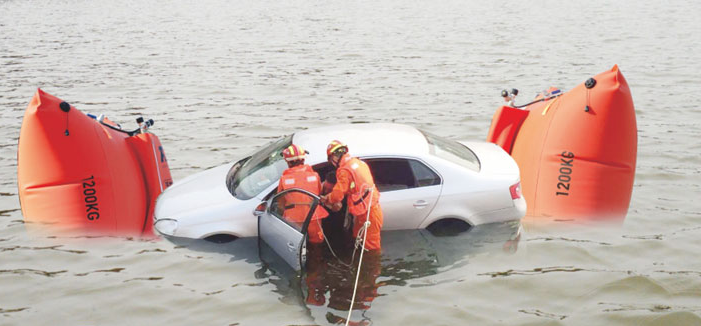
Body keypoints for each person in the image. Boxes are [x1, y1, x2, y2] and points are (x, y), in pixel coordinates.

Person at [321, 140, 383, 251]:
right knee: (356, 236)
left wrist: (327, 198)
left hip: (369, 213)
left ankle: (373, 267)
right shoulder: (358, 162)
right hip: (365, 209)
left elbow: (337, 195)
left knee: (371, 246)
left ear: (334, 157)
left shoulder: (344, 170)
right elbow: (355, 186)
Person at [277, 144, 328, 244]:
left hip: (293, 217)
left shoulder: (284, 179)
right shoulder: (315, 176)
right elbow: (318, 192)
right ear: (303, 159)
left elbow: (280, 202)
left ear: (288, 162)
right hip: (313, 215)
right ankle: (316, 257)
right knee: (317, 241)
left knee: (295, 244)